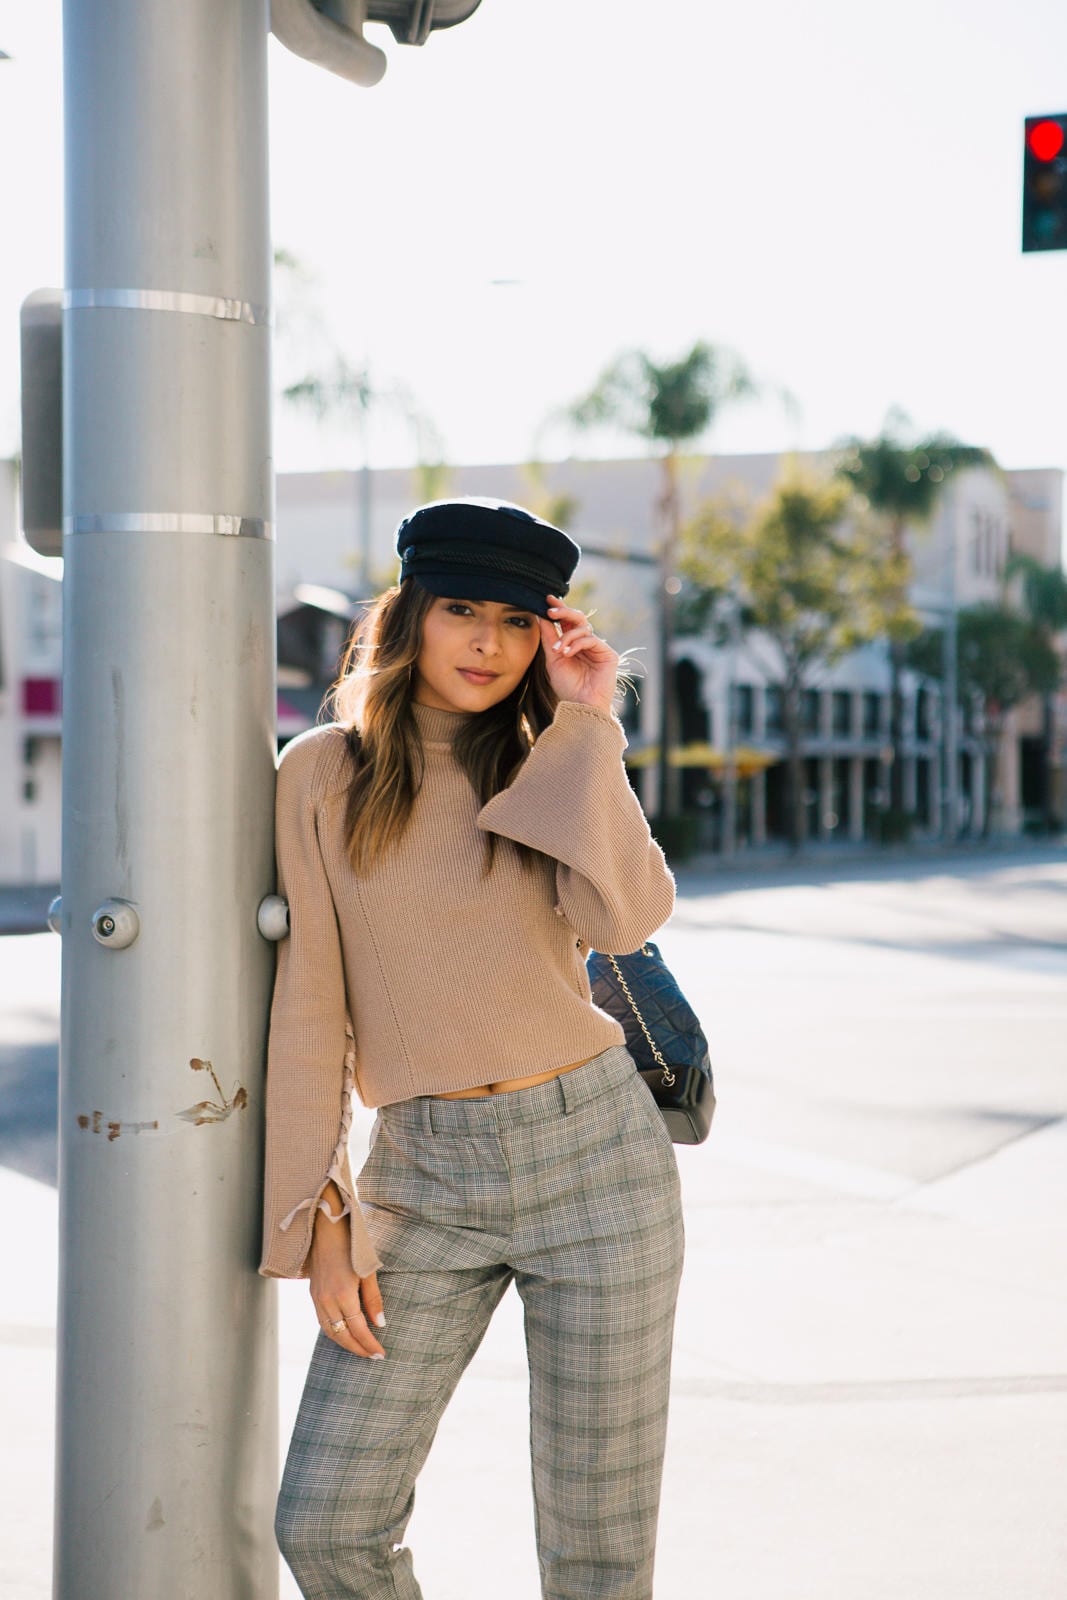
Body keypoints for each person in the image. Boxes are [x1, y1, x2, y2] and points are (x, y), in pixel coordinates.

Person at [259, 496, 685, 1600]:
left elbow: (629, 920)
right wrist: (320, 1216)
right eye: (460, 610)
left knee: (596, 1556)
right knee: (328, 1519)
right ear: (408, 616)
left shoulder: (548, 758)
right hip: (424, 1178)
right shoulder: (318, 775)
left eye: (512, 619)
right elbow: (309, 1004)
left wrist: (591, 725)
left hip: (595, 1156)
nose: (487, 643)